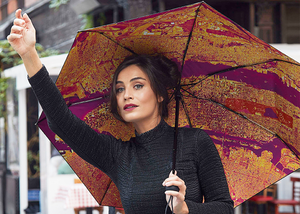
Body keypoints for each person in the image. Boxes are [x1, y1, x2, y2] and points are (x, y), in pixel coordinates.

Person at [8, 9, 234, 214]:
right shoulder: (117, 155)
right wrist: (29, 54)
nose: (126, 95)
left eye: (137, 85)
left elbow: (224, 207)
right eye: (119, 89)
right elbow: (60, 121)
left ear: (160, 94)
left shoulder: (195, 142)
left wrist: (186, 209)